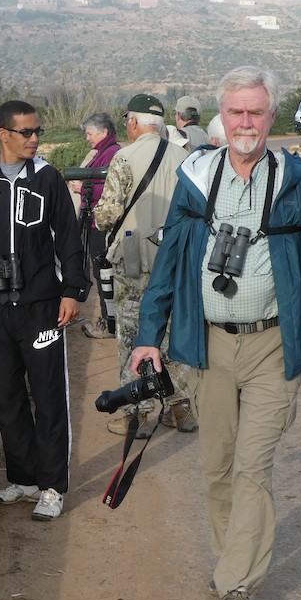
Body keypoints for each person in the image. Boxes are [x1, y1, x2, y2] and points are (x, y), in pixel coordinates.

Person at [129, 65, 301, 600]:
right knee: (217, 469)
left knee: (252, 469)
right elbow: (170, 266)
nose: (246, 122)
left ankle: (237, 589)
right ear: (222, 115)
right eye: (236, 112)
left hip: (271, 346)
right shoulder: (196, 177)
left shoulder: (295, 181)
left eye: (256, 112)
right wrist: (145, 336)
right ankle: (230, 561)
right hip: (208, 343)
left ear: (271, 116)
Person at [0, 99, 86, 522]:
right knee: (7, 400)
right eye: (26, 132)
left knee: (48, 399)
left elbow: (68, 240)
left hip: (40, 308)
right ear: (3, 134)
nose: (34, 139)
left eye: (37, 131)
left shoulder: (48, 180)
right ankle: (24, 480)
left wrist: (72, 291)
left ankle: (52, 488)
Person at [94, 93, 198, 438]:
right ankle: (179, 408)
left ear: (134, 122)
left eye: (126, 121)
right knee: (172, 335)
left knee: (132, 336)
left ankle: (135, 413)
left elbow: (108, 214)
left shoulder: (124, 158)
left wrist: (96, 217)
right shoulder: (185, 158)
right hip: (175, 263)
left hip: (134, 265)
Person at [67, 112, 121, 339]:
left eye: (90, 133)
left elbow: (113, 189)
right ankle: (108, 319)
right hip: (95, 221)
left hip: (101, 224)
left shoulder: (112, 154)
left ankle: (109, 323)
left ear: (103, 132)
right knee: (101, 273)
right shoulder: (104, 152)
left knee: (104, 273)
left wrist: (84, 188)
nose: (87, 138)